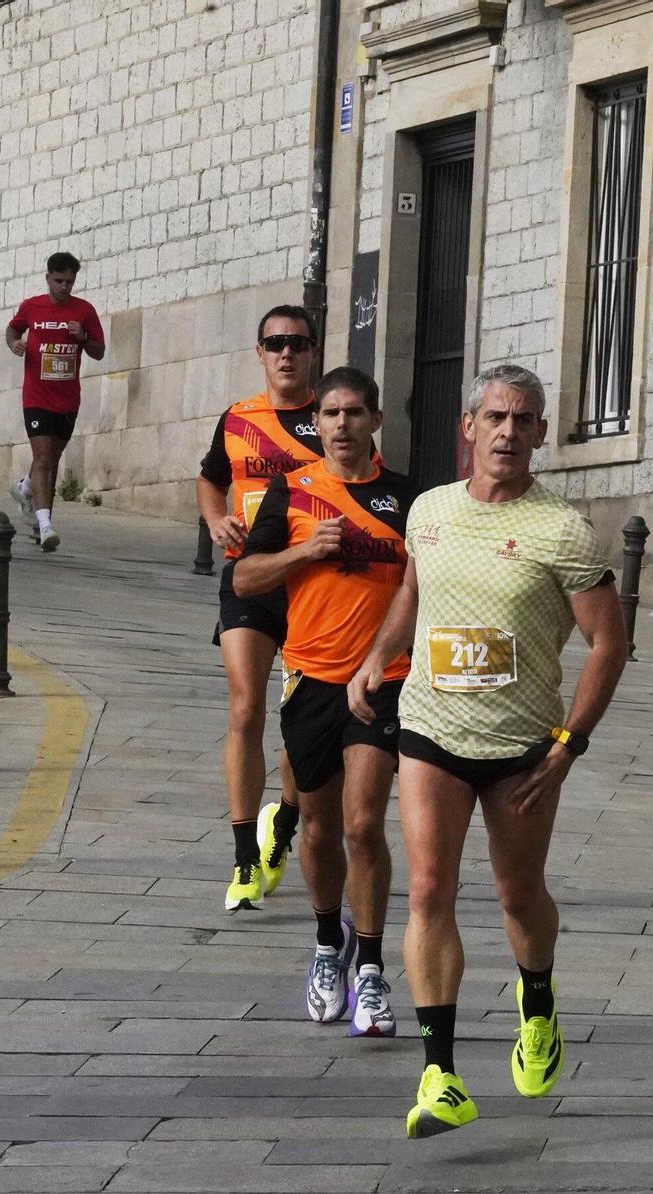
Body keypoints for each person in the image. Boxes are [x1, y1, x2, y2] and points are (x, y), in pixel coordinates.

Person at [348, 363, 629, 1138]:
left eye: (525, 419)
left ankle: (536, 996)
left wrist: (569, 745)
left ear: (542, 434)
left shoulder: (561, 529)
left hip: (522, 746)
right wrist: (379, 654)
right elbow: (414, 586)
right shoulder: (430, 511)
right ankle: (439, 1073)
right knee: (429, 886)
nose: (509, 431)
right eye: (496, 417)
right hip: (432, 727)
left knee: (518, 894)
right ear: (467, 427)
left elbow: (610, 641)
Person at [235, 366, 411, 1035]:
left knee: (364, 824)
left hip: (380, 681)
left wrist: (385, 660)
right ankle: (324, 947)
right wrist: (306, 550)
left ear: (374, 422)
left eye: (354, 413)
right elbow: (247, 577)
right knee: (317, 825)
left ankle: (369, 969)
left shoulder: (404, 497)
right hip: (309, 680)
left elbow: (417, 587)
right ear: (320, 425)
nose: (341, 425)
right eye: (330, 414)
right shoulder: (292, 491)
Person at [197, 307, 325, 911]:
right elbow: (209, 478)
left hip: (312, 586)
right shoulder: (239, 418)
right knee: (246, 705)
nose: (286, 354)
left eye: (297, 343)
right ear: (259, 352)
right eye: (274, 342)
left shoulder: (331, 417)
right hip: (249, 577)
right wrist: (215, 516)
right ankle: (245, 856)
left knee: (299, 721)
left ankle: (287, 819)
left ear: (312, 352)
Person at [6, 251, 106, 552]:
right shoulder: (32, 306)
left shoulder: (84, 311)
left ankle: (25, 487)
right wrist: (15, 344)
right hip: (36, 395)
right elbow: (13, 328)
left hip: (67, 398)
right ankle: (45, 526)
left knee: (51, 458)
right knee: (45, 460)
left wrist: (83, 336)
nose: (64, 287)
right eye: (59, 281)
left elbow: (99, 351)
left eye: (70, 282)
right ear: (48, 277)